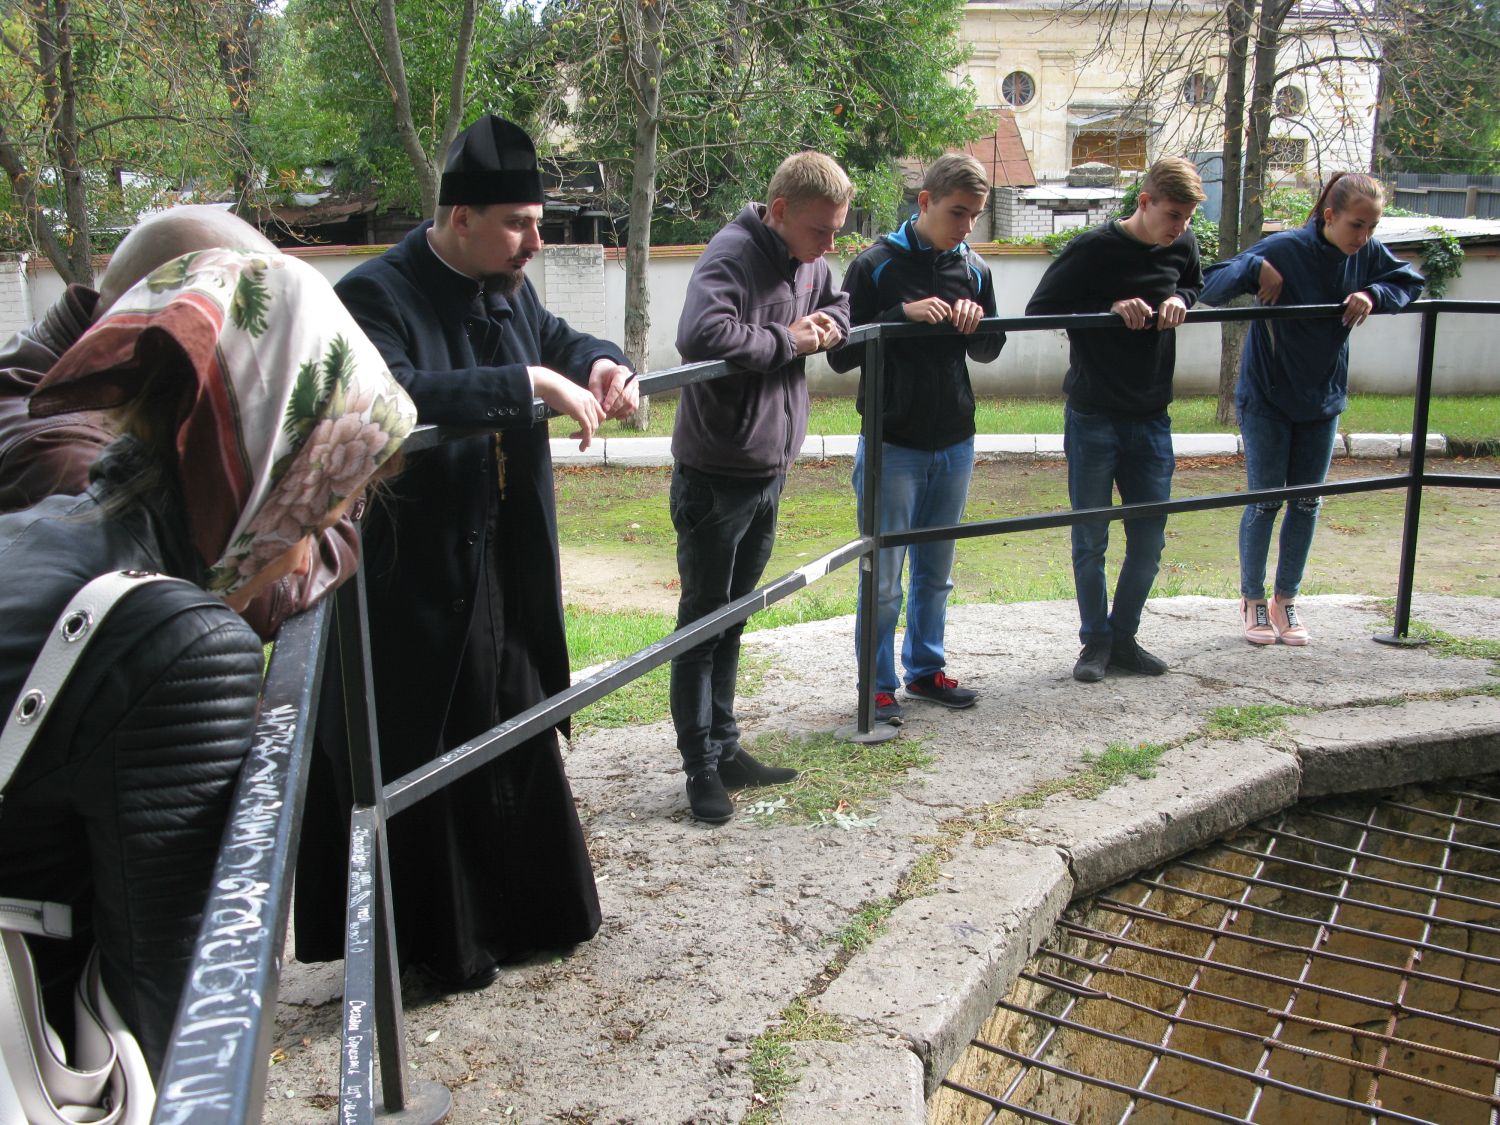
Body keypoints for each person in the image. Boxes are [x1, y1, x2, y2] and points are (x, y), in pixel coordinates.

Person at [0, 247, 416, 1075]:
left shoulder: (54, 525)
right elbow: (179, 1022)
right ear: (274, 479)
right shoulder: (175, 643)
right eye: (328, 501)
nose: (308, 555)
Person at [294, 115, 638, 992]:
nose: (537, 241)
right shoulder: (375, 293)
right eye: (521, 223)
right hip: (411, 586)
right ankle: (435, 947)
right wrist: (526, 385)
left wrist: (601, 365)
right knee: (423, 752)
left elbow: (559, 341)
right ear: (459, 220)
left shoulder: (510, 281)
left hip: (500, 568)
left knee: (511, 734)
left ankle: (526, 916)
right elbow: (396, 393)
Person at [0, 205, 359, 639]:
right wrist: (325, 495)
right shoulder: (62, 452)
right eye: (247, 334)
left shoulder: (90, 377)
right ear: (181, 323)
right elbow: (248, 589)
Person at [671, 151, 853, 824]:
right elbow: (700, 335)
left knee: (734, 617)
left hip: (769, 469)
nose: (829, 245)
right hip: (715, 477)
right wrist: (789, 337)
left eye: (838, 230)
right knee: (703, 623)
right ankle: (699, 769)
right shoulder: (731, 255)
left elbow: (837, 299)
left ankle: (726, 746)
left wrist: (833, 324)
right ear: (778, 213)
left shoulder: (807, 256)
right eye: (820, 231)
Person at [1200, 172, 1425, 645]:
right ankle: (1253, 600)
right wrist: (1254, 269)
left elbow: (1408, 281)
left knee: (1307, 501)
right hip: (1267, 398)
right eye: (1356, 225)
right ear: (1329, 216)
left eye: (1372, 227)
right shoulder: (1284, 248)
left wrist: (1374, 294)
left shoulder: (1364, 254)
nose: (1364, 237)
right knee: (1264, 500)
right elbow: (1210, 285)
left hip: (1322, 400)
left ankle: (1287, 598)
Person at [829, 153, 1005, 726]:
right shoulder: (874, 264)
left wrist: (976, 321)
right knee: (883, 575)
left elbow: (990, 350)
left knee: (937, 570)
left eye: (975, 216)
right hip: (892, 441)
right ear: (924, 201)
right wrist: (897, 315)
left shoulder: (975, 269)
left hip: (954, 438)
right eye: (958, 213)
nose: (967, 227)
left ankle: (925, 671)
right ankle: (875, 686)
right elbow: (838, 353)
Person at [1025, 156, 1205, 683]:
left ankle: (1124, 637)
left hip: (1153, 415)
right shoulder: (1092, 248)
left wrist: (1180, 298)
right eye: (1173, 215)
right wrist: (1109, 306)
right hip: (1094, 414)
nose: (1180, 228)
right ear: (1144, 202)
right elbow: (1040, 310)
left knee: (1149, 539)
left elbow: (1196, 284)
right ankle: (1095, 643)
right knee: (1091, 536)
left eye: (1187, 218)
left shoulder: (1184, 244)